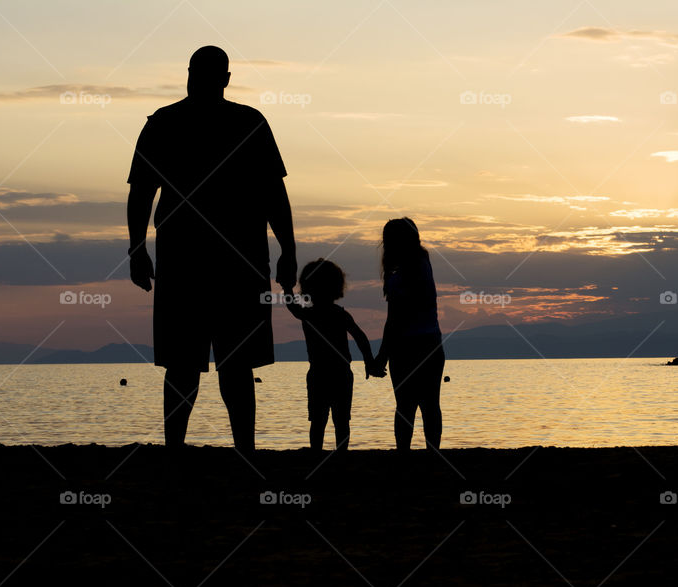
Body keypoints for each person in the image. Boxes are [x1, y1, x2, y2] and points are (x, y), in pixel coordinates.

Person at [126, 45, 297, 455]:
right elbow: (142, 192)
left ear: (221, 79)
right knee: (191, 366)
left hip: (228, 262)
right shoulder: (166, 123)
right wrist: (135, 248)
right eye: (195, 72)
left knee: (221, 366)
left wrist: (289, 251)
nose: (197, 79)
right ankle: (198, 451)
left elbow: (274, 193)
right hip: (196, 261)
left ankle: (229, 450)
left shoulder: (244, 123)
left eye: (202, 73)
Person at [284, 259, 384, 451]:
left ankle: (316, 454)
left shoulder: (309, 314)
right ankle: (341, 454)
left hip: (320, 375)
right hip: (340, 375)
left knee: (318, 421)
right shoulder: (339, 314)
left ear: (307, 288)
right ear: (337, 287)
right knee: (341, 421)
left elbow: (291, 305)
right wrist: (369, 362)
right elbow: (361, 338)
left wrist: (287, 286)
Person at [374, 218, 445, 450]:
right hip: (429, 342)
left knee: (406, 405)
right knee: (428, 405)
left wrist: (381, 356)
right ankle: (430, 454)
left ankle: (405, 455)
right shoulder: (420, 263)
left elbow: (395, 318)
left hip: (409, 346)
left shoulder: (408, 271)